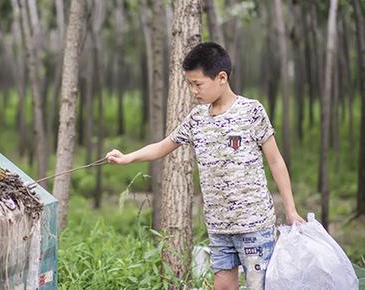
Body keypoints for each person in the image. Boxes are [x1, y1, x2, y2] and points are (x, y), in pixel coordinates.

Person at [106, 42, 305, 290]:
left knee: (258, 285)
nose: (193, 91)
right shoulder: (197, 118)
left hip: (254, 224)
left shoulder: (251, 111)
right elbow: (163, 145)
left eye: (198, 84)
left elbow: (275, 161)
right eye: (189, 84)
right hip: (218, 226)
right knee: (221, 285)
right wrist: (127, 157)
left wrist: (291, 209)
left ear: (221, 77)